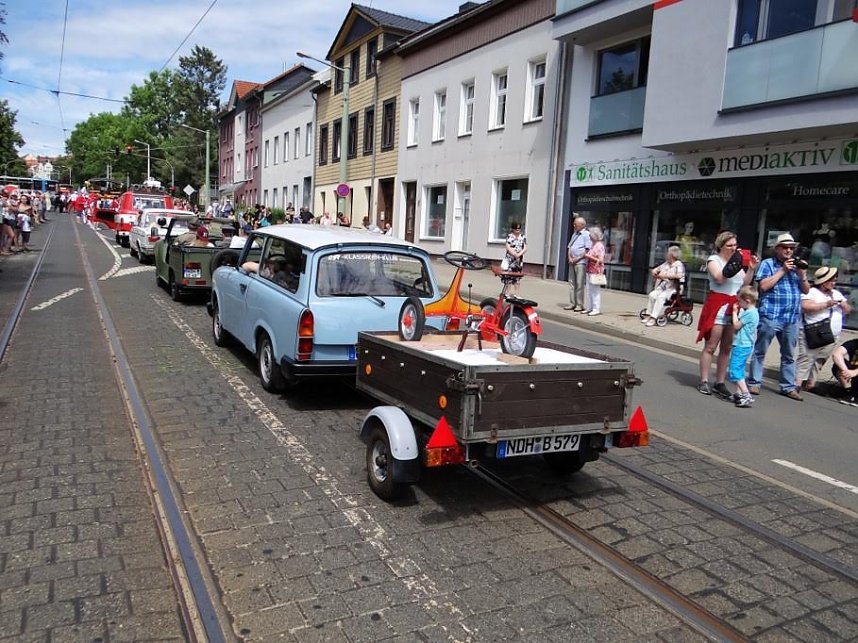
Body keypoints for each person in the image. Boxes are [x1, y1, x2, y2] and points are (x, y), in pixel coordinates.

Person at [747, 233, 810, 401]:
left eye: (791, 248)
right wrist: (782, 271)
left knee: (789, 354)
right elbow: (763, 287)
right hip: (771, 315)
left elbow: (806, 290)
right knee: (760, 351)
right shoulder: (768, 264)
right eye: (785, 248)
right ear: (777, 249)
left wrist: (802, 275)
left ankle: (788, 387)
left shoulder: (797, 266)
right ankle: (754, 382)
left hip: (791, 318)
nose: (789, 251)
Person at [696, 231, 759, 397]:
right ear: (721, 246)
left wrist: (751, 269)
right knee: (711, 345)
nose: (733, 248)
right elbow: (719, 278)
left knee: (727, 347)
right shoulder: (713, 260)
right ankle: (703, 380)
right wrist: (734, 264)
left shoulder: (736, 263)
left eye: (735, 245)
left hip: (733, 307)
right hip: (718, 304)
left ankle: (720, 381)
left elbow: (744, 284)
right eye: (729, 245)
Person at [796, 266, 851, 393]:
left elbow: (848, 310)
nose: (833, 282)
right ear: (823, 281)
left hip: (832, 334)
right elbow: (806, 307)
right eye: (831, 280)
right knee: (807, 357)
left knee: (820, 359)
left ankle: (811, 383)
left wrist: (843, 304)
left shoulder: (837, 293)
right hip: (813, 331)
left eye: (834, 280)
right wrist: (826, 304)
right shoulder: (812, 292)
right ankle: (796, 383)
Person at [727, 286, 760, 408]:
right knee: (740, 369)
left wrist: (734, 312)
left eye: (739, 301)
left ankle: (746, 395)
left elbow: (736, 326)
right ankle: (738, 394)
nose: (738, 304)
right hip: (747, 345)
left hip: (741, 344)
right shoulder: (754, 312)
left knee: (734, 370)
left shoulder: (749, 313)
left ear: (747, 301)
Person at [643, 245, 685, 326]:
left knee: (660, 297)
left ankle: (653, 318)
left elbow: (679, 276)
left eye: (668, 253)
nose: (666, 255)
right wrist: (654, 272)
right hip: (664, 286)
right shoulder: (666, 263)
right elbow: (657, 269)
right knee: (652, 295)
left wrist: (665, 276)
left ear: (672, 255)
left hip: (674, 288)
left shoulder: (678, 265)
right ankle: (648, 315)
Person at [564, 216, 591, 311]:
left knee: (579, 283)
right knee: (571, 283)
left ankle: (580, 304)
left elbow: (587, 250)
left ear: (582, 225)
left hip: (580, 262)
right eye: (574, 223)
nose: (574, 225)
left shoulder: (586, 235)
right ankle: (572, 303)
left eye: (576, 224)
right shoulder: (574, 234)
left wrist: (577, 258)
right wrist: (570, 257)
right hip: (572, 261)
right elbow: (569, 247)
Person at [501, 221, 527, 298]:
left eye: (519, 229)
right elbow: (507, 246)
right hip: (510, 260)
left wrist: (519, 254)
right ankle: (507, 293)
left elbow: (525, 247)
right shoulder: (510, 236)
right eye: (516, 229)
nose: (517, 231)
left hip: (518, 261)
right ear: (513, 229)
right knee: (508, 277)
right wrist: (514, 254)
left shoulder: (523, 237)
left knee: (517, 277)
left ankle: (517, 294)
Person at [583, 226, 606, 316]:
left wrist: (589, 256)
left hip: (596, 270)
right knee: (589, 289)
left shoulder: (599, 246)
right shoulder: (594, 245)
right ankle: (589, 307)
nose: (589, 237)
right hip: (590, 269)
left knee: (595, 290)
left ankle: (596, 308)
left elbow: (600, 260)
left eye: (590, 235)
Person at [831, 339, 858, 405]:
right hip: (851, 376)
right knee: (838, 365)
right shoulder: (854, 343)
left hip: (855, 373)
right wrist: (845, 370)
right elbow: (836, 354)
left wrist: (854, 372)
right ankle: (849, 393)